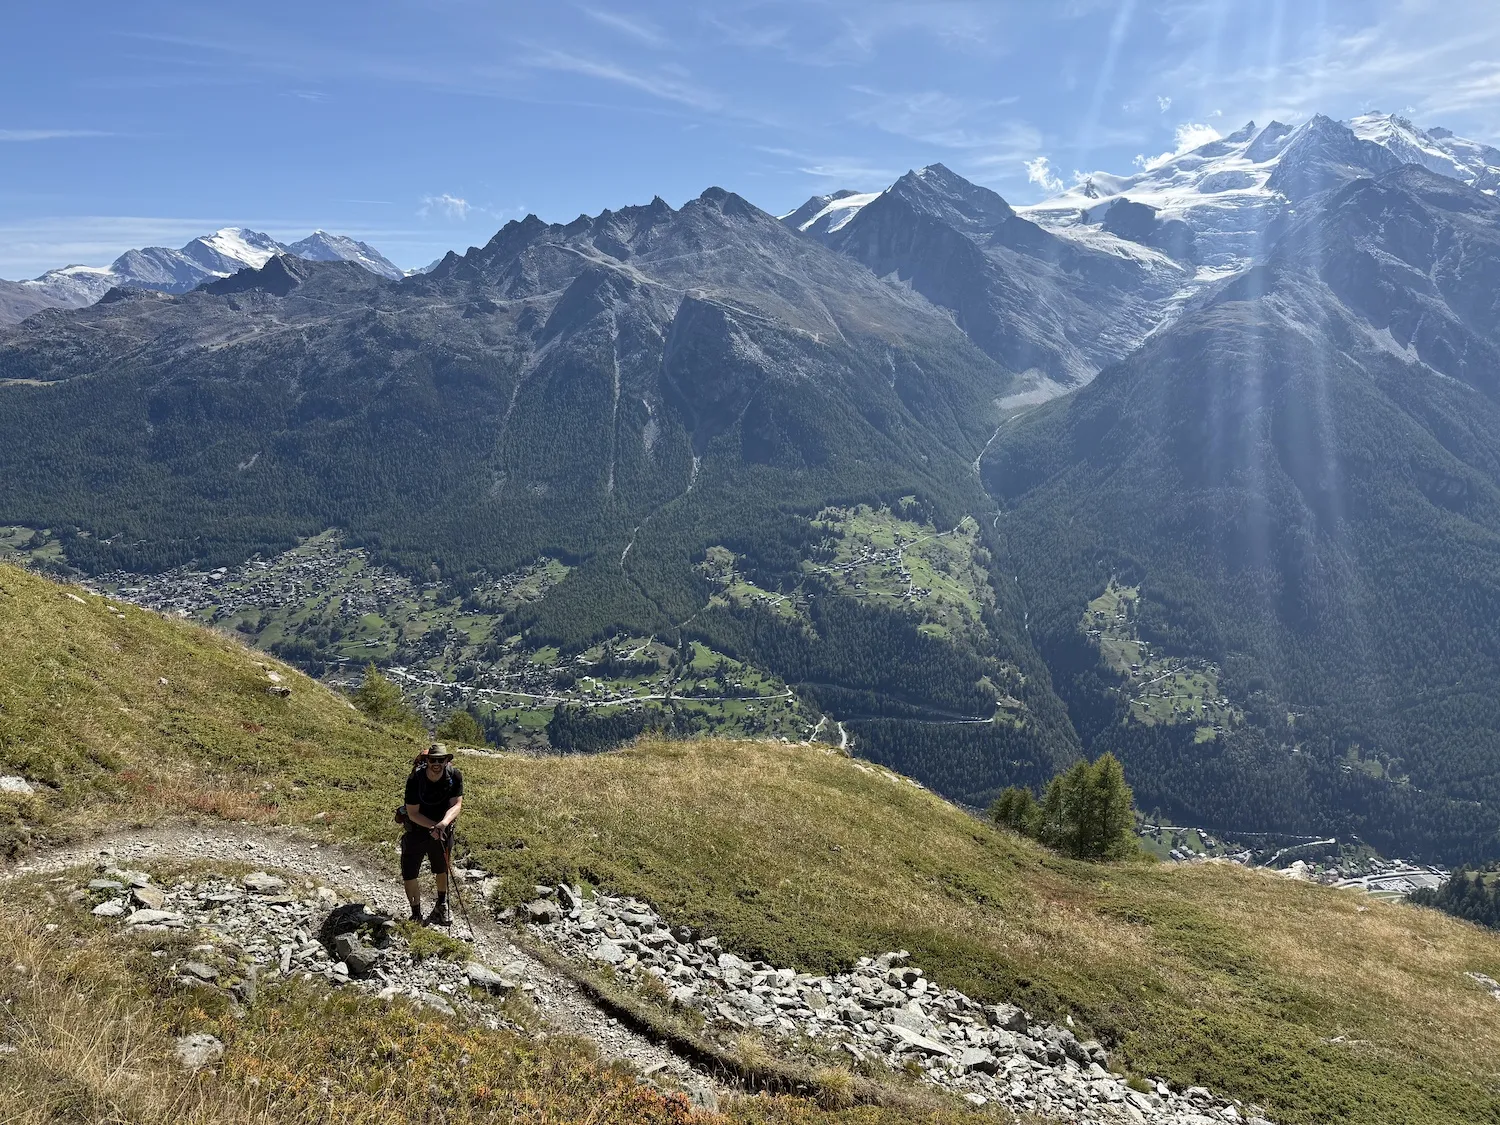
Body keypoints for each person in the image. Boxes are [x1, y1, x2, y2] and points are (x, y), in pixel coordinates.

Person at [401, 743, 464, 925]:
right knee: (410, 872)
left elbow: (456, 805)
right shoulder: (415, 779)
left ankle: (441, 905)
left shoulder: (455, 776)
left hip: (443, 830)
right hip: (417, 829)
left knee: (441, 868)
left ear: (446, 761)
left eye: (440, 760)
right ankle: (416, 914)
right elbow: (412, 813)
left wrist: (443, 824)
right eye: (432, 760)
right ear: (427, 761)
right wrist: (433, 827)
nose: (436, 763)